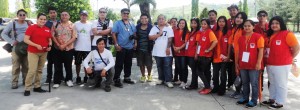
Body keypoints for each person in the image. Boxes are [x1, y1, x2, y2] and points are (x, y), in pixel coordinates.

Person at [262, 16, 300, 109]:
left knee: (281, 83)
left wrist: (290, 58)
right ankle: (272, 99)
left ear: (281, 24)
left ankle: (279, 102)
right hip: (270, 63)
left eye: (277, 23)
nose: (274, 25)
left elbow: (296, 48)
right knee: (272, 82)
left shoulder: (287, 34)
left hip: (282, 64)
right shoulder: (269, 35)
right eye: (272, 23)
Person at [235, 20, 264, 108]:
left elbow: (261, 51)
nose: (247, 28)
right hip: (243, 64)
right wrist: (237, 63)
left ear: (253, 27)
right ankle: (245, 98)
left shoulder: (258, 37)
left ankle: (254, 100)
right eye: (245, 26)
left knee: (254, 83)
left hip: (254, 65)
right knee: (245, 82)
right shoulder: (241, 38)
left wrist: (259, 63)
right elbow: (238, 52)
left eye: (249, 26)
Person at [23, 13, 52, 96]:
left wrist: (50, 46)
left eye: (44, 19)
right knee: (32, 70)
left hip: (44, 52)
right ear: (37, 19)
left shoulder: (47, 29)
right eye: (41, 19)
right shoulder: (31, 27)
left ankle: (37, 87)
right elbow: (26, 40)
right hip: (33, 52)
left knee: (40, 70)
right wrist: (36, 45)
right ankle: (27, 88)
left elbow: (49, 40)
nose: (43, 21)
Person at [1, 9, 30, 89]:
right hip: (16, 47)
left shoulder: (28, 24)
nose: (22, 16)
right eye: (20, 15)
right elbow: (3, 34)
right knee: (16, 66)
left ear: (25, 16)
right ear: (17, 16)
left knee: (26, 65)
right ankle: (14, 82)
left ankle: (26, 81)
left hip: (26, 47)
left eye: (24, 15)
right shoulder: (12, 24)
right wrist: (11, 41)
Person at [112, 8, 136, 88]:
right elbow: (113, 34)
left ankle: (127, 77)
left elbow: (135, 34)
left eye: (127, 13)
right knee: (119, 64)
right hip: (121, 47)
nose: (126, 14)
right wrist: (116, 45)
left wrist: (135, 43)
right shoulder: (118, 23)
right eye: (124, 13)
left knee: (128, 63)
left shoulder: (132, 23)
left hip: (130, 47)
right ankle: (116, 79)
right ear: (121, 14)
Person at [52, 11, 77, 88]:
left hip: (69, 49)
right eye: (62, 15)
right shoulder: (56, 24)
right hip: (57, 48)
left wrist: (65, 45)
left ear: (69, 16)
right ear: (60, 16)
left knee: (68, 65)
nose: (64, 16)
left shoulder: (72, 25)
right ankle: (57, 81)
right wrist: (59, 45)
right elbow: (52, 36)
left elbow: (74, 37)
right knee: (57, 66)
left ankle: (68, 80)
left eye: (66, 15)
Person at [149, 14, 174, 88]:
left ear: (165, 20)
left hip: (166, 51)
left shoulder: (168, 28)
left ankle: (168, 80)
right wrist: (158, 35)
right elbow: (150, 37)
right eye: (159, 19)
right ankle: (161, 79)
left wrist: (168, 48)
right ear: (157, 20)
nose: (161, 20)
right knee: (159, 66)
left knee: (167, 66)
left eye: (162, 19)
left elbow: (170, 38)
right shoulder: (154, 28)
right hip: (157, 51)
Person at [228, 12, 247, 99]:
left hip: (242, 55)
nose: (238, 19)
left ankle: (242, 92)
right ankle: (237, 91)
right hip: (234, 54)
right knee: (235, 73)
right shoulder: (235, 29)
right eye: (237, 17)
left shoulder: (244, 29)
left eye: (241, 18)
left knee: (241, 73)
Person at [195, 18, 218, 94]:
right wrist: (197, 53)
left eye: (205, 24)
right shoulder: (202, 32)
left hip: (206, 56)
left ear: (208, 25)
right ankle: (207, 86)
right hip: (201, 55)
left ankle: (207, 87)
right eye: (202, 24)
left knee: (199, 71)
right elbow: (199, 44)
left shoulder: (209, 32)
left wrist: (209, 49)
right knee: (205, 72)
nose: (203, 25)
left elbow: (215, 41)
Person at [212, 16, 232, 95]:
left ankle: (222, 89)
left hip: (224, 57)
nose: (221, 23)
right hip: (215, 56)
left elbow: (230, 45)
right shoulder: (215, 31)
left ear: (225, 23)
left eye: (223, 21)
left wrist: (228, 56)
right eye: (219, 21)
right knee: (215, 73)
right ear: (217, 22)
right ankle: (215, 87)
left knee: (223, 74)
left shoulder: (229, 32)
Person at [74, 10, 93, 84]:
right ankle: (78, 77)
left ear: (87, 16)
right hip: (78, 47)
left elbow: (92, 36)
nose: (83, 16)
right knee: (78, 63)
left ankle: (86, 77)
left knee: (86, 64)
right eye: (82, 15)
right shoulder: (76, 24)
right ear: (80, 15)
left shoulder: (90, 24)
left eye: (85, 15)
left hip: (87, 48)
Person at [136, 14, 153, 83]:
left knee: (149, 64)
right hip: (139, 48)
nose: (144, 20)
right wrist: (135, 43)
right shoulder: (137, 27)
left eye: (145, 18)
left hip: (148, 48)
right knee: (141, 63)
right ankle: (143, 76)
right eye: (142, 18)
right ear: (140, 19)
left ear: (148, 19)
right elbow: (135, 35)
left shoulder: (150, 27)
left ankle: (149, 75)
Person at [44, 7, 60, 85]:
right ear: (49, 14)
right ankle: (49, 78)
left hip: (59, 44)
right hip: (50, 45)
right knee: (50, 62)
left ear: (56, 13)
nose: (53, 14)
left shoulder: (60, 22)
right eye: (51, 13)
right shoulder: (46, 23)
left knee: (59, 62)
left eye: (54, 12)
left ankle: (60, 77)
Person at [185, 18, 201, 90]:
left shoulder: (198, 33)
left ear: (198, 24)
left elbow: (198, 44)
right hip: (188, 53)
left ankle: (193, 85)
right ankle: (194, 84)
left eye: (195, 23)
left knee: (194, 70)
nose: (193, 24)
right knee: (192, 70)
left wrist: (196, 54)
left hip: (193, 54)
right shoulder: (190, 32)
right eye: (192, 23)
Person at [173, 19, 189, 88]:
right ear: (178, 24)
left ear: (185, 24)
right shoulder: (175, 31)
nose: (181, 24)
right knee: (178, 67)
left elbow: (186, 43)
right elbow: (172, 41)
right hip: (176, 52)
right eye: (180, 23)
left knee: (183, 67)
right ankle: (180, 79)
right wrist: (174, 47)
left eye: (183, 23)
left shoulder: (187, 32)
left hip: (183, 53)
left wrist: (179, 48)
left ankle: (184, 81)